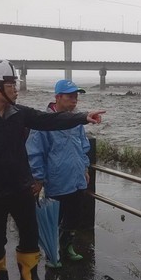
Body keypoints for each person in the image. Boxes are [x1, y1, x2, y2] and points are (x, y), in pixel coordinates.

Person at [0, 60, 104, 280]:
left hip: (21, 189)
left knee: (29, 234)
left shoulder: (19, 114)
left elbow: (50, 121)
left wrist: (84, 117)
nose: (16, 88)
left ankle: (30, 278)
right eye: (12, 84)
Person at [26, 79, 90, 263]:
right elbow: (35, 152)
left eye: (76, 96)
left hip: (77, 177)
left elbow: (83, 145)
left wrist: (84, 168)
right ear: (58, 97)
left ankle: (67, 245)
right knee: (54, 217)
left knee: (74, 216)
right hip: (57, 180)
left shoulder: (76, 119)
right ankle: (51, 253)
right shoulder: (44, 122)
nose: (74, 100)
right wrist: (38, 179)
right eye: (70, 96)